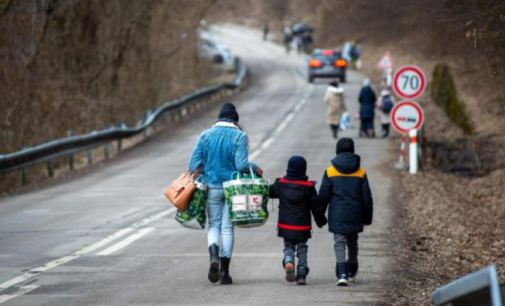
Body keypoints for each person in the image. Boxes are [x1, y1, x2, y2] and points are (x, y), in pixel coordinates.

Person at [189, 103, 263, 285]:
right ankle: (224, 273)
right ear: (235, 120)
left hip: (212, 187)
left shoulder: (205, 136)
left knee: (214, 225)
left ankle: (213, 256)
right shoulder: (239, 136)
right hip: (233, 189)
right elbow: (242, 166)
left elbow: (193, 165)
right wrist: (255, 168)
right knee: (227, 227)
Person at [318, 138, 373, 286]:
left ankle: (342, 273)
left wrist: (319, 216)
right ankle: (352, 267)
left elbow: (323, 196)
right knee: (353, 241)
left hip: (337, 213)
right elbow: (366, 197)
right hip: (356, 213)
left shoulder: (330, 171)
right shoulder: (361, 172)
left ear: (337, 150)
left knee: (339, 242)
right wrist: (367, 218)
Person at [269, 156, 327, 285]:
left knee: (288, 246)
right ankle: (301, 275)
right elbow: (316, 207)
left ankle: (289, 261)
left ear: (288, 169)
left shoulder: (280, 184)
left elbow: (268, 192)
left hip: (285, 225)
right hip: (303, 226)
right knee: (302, 249)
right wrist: (321, 221)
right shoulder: (309, 187)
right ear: (304, 170)